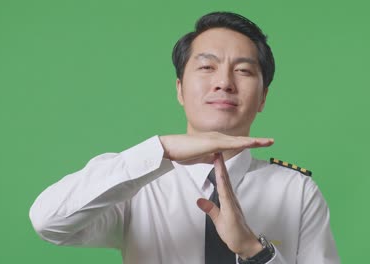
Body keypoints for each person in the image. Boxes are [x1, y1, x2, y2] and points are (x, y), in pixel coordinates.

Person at [29, 11, 340, 264]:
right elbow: (48, 221)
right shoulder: (135, 180)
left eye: (243, 71)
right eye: (206, 67)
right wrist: (160, 150)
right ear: (179, 89)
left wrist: (254, 252)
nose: (223, 82)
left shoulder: (296, 191)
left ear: (263, 98)